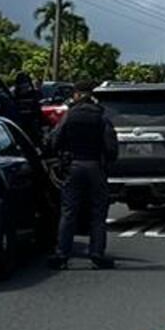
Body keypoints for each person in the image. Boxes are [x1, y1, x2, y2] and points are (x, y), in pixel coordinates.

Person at [49, 82, 118, 269]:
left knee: (69, 211)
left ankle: (62, 254)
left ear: (77, 95)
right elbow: (111, 147)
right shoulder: (101, 115)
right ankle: (96, 254)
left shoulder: (69, 115)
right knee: (98, 213)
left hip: (74, 166)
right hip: (95, 166)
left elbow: (55, 140)